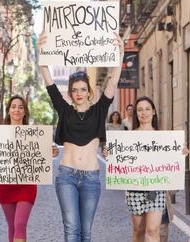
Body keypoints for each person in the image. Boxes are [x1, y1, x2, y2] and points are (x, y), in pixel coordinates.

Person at [37, 32, 124, 241]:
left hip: (91, 178)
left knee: (86, 232)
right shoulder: (64, 110)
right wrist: (41, 52)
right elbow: (49, 82)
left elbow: (113, 81)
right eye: (75, 90)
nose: (79, 93)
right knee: (71, 228)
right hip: (67, 176)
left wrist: (119, 53)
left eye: (83, 89)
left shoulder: (100, 110)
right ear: (70, 93)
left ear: (89, 92)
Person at [0, 95, 58, 242]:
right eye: (14, 106)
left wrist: (52, 152)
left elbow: (42, 155)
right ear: (8, 111)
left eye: (21, 107)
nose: (17, 109)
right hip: (5, 185)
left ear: (25, 112)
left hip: (26, 185)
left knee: (20, 224)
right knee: (12, 226)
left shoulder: (34, 134)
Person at [125, 96, 188, 242]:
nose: (144, 113)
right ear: (136, 113)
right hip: (135, 189)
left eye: (147, 109)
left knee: (153, 231)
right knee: (138, 231)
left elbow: (172, 161)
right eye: (140, 110)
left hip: (156, 188)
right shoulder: (129, 137)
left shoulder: (164, 137)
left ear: (153, 111)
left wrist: (181, 153)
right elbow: (121, 161)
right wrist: (110, 153)